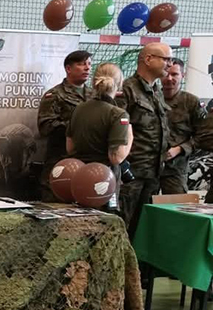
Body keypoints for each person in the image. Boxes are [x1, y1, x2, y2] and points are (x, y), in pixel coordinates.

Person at [114, 42, 173, 237]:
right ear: (148, 59)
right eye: (166, 59)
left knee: (142, 230)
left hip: (153, 172)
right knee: (122, 226)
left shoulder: (157, 91)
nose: (170, 64)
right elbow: (116, 131)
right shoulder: (126, 89)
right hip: (132, 174)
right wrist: (123, 166)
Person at [66, 63, 133, 210]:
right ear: (119, 83)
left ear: (93, 82)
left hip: (79, 177)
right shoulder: (118, 114)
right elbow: (116, 157)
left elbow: (70, 148)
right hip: (104, 181)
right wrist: (130, 135)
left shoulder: (79, 109)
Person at [37, 50, 93, 201]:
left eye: (89, 64)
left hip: (88, 163)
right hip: (60, 161)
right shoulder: (54, 95)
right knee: (55, 205)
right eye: (81, 64)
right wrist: (76, 127)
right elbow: (45, 126)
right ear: (68, 68)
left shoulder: (94, 95)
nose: (87, 68)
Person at [159, 58, 207, 194]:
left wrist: (180, 149)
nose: (169, 78)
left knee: (176, 204)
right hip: (147, 169)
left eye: (174, 74)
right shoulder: (150, 98)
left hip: (175, 168)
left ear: (183, 75)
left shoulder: (191, 102)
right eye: (166, 74)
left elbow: (202, 136)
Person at [0, 123, 39, 201]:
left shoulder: (24, 137)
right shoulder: (1, 141)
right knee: (10, 170)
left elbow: (29, 151)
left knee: (18, 171)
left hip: (19, 140)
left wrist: (26, 166)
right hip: (9, 141)